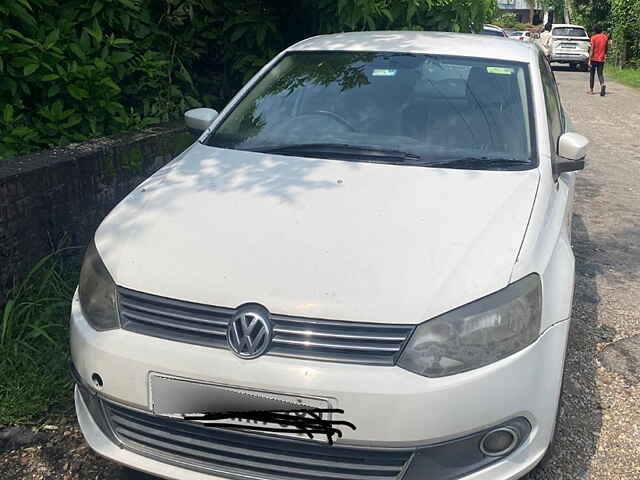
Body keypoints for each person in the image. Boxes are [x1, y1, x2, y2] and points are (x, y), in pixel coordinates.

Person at [589, 24, 609, 96]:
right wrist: (605, 55)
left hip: (594, 58)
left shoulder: (593, 38)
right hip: (601, 58)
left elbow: (592, 49)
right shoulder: (605, 37)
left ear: (594, 30)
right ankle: (602, 84)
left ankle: (591, 90)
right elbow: (606, 48)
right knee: (600, 73)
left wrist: (589, 59)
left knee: (592, 74)